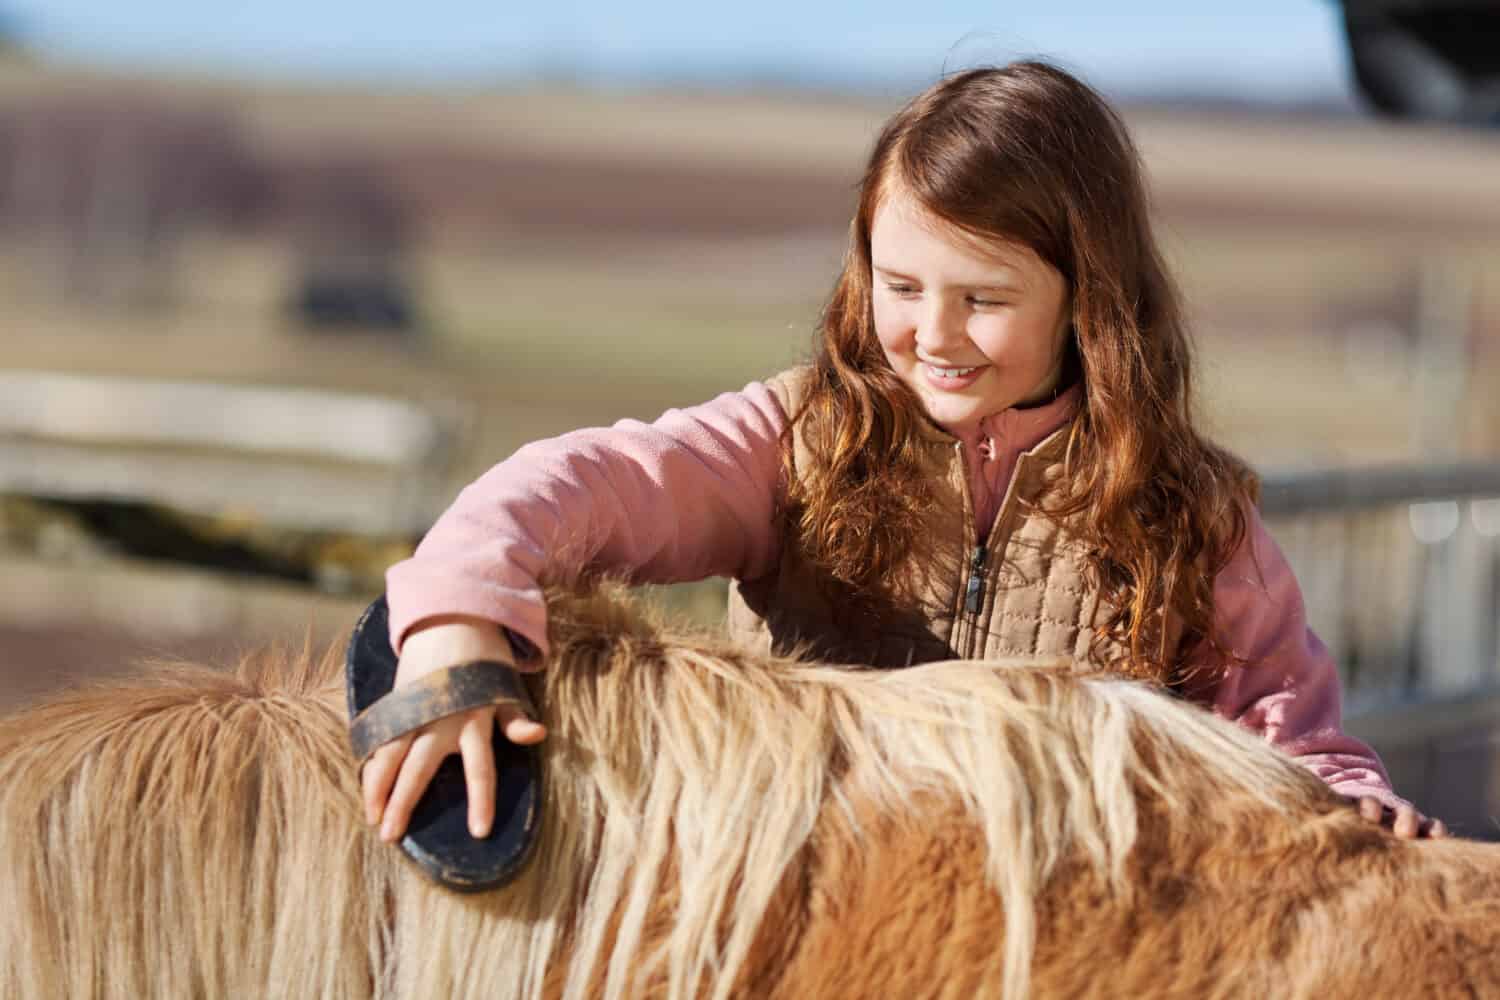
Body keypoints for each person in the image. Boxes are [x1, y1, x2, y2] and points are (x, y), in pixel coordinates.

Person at [360, 60, 1446, 848]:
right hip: (813, 912)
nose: (932, 332)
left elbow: (1285, 726)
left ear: (1087, 301)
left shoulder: (1185, 514)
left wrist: (1342, 798)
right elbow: (589, 482)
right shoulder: (804, 440)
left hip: (1061, 938)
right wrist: (462, 607)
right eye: (901, 285)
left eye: (984, 299)